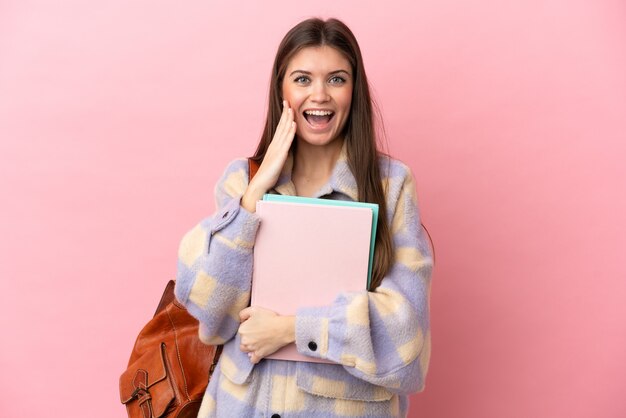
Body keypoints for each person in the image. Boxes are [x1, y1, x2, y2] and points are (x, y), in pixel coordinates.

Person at [175, 17, 433, 418]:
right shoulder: (242, 180)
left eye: (336, 79)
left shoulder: (391, 185)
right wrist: (254, 196)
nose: (320, 94)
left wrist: (291, 329)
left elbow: (406, 337)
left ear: (354, 90)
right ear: (282, 89)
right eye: (302, 79)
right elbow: (211, 316)